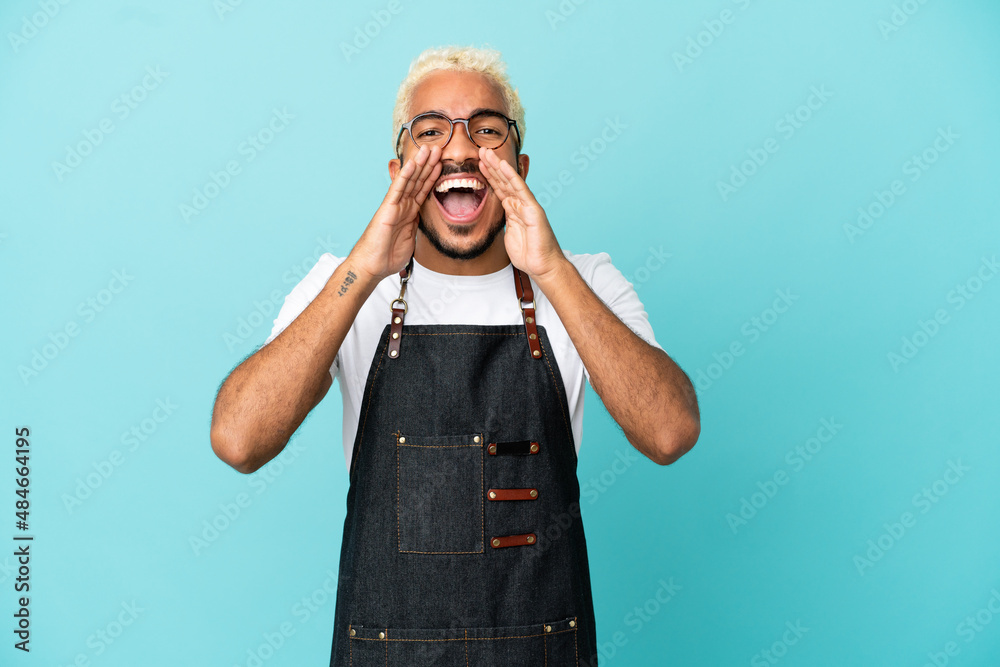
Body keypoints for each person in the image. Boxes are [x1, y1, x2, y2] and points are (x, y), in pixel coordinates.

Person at [210, 45, 700, 666]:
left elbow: (670, 433)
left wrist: (550, 268)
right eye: (432, 131)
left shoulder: (587, 281)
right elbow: (238, 439)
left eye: (486, 131)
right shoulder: (343, 284)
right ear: (397, 173)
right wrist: (365, 266)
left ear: (519, 166)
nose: (461, 150)